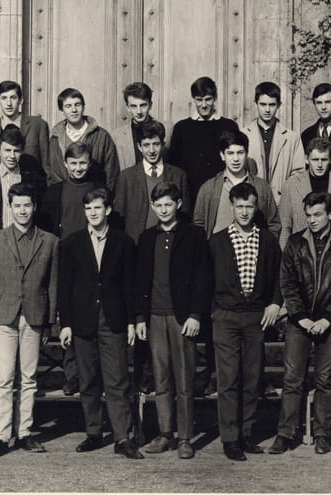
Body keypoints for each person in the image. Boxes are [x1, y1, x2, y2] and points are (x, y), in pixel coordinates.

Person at [270, 191, 331, 455]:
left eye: (318, 214)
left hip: (328, 323)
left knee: (325, 379)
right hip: (300, 322)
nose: (312, 220)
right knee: (292, 378)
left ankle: (322, 434)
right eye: (308, 215)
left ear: (330, 214)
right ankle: (285, 434)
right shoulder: (295, 243)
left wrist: (327, 319)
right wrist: (301, 317)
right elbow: (287, 283)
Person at [57, 187, 143, 459]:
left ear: (107, 210)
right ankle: (93, 433)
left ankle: (122, 437)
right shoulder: (72, 243)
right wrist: (65, 323)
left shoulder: (123, 242)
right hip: (82, 320)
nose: (93, 213)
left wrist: (131, 322)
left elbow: (130, 285)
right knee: (88, 379)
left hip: (113, 319)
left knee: (117, 380)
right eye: (88, 208)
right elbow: (64, 287)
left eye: (97, 208)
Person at [0, 184, 59, 459]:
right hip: (3, 317)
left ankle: (24, 432)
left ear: (34, 207)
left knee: (29, 378)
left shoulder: (50, 241)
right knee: (3, 379)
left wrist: (49, 322)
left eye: (27, 205)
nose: (22, 211)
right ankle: (1, 436)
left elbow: (53, 285)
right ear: (10, 207)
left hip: (34, 317)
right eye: (17, 206)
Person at [134, 182, 209, 459]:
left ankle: (185, 437)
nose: (163, 210)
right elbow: (140, 280)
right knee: (161, 378)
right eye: (159, 205)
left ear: (178, 204)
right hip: (155, 317)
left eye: (168, 204)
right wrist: (140, 318)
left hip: (182, 318)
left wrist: (195, 315)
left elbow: (203, 277)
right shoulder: (146, 238)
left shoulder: (194, 235)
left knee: (184, 380)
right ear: (153, 207)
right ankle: (166, 434)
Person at [114, 119, 190, 394]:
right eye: (146, 145)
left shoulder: (177, 174)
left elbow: (186, 214)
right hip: (139, 252)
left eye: (156, 144)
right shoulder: (127, 177)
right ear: (139, 146)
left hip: (169, 250)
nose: (151, 150)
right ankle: (143, 375)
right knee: (141, 314)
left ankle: (172, 378)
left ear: (163, 144)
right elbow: (120, 218)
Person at [209, 182, 282, 461]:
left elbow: (279, 275)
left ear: (255, 207)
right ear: (232, 207)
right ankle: (230, 439)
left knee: (252, 377)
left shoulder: (267, 240)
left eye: (249, 206)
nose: (244, 212)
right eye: (239, 206)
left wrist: (274, 303)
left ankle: (246, 434)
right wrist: (215, 311)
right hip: (225, 316)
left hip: (255, 317)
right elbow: (205, 279)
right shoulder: (217, 241)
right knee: (228, 378)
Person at [39, 141, 107, 396]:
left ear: (89, 164)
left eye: (83, 163)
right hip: (65, 257)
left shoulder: (98, 190)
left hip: (92, 257)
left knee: (91, 316)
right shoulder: (55, 191)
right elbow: (46, 226)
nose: (78, 168)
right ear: (66, 164)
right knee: (68, 315)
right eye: (74, 163)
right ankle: (72, 374)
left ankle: (93, 374)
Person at [194, 130, 280, 239]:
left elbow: (274, 224)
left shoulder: (261, 187)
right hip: (216, 248)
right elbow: (198, 225)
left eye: (240, 153)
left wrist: (265, 246)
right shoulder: (209, 188)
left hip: (252, 248)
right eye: (230, 153)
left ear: (246, 154)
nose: (235, 159)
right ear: (222, 155)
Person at [167, 76, 240, 202]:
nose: (204, 105)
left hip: (221, 193)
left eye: (208, 99)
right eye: (199, 100)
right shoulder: (181, 128)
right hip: (189, 195)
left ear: (215, 98)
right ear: (193, 99)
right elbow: (174, 167)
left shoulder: (229, 126)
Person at [0, 125, 47, 239]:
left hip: (26, 241)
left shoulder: (34, 180)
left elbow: (41, 215)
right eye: (7, 150)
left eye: (16, 151)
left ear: (22, 151)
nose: (12, 156)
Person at [278, 137, 331, 249]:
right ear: (306, 159)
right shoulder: (291, 185)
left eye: (324, 160)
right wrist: (284, 255)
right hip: (301, 252)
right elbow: (285, 227)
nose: (319, 165)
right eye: (315, 160)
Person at [240, 81, 305, 200]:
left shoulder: (292, 138)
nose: (267, 110)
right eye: (263, 104)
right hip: (250, 201)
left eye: (272, 105)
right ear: (255, 104)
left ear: (279, 105)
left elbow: (298, 173)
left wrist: (285, 194)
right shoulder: (243, 135)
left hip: (281, 201)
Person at [47, 88, 120, 190]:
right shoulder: (56, 138)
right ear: (61, 110)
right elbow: (53, 172)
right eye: (68, 106)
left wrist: (104, 195)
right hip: (65, 195)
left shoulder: (101, 136)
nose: (74, 110)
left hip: (95, 195)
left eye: (77, 104)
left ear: (83, 107)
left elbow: (111, 173)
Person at [0, 80, 50, 175]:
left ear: (21, 100)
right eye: (4, 98)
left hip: (32, 183)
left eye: (13, 98)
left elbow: (47, 165)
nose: (9, 103)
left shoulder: (38, 125)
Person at [110, 82, 171, 171]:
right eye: (133, 106)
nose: (139, 112)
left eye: (143, 105)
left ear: (150, 105)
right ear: (127, 107)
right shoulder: (117, 136)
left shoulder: (168, 130)